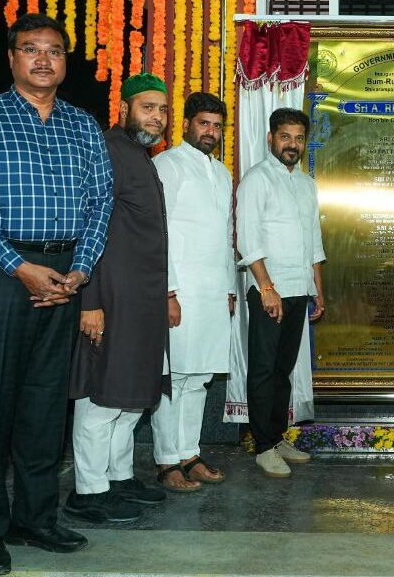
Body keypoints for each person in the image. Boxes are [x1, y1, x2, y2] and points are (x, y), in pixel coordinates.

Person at [0, 13, 113, 576]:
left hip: (65, 274)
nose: (44, 59)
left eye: (55, 51)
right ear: (11, 57)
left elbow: (100, 204)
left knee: (44, 406)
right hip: (1, 272)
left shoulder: (83, 124)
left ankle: (35, 517)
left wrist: (79, 272)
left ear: (66, 61)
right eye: (31, 49)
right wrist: (21, 267)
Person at [66, 73, 172, 522]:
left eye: (164, 109)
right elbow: (89, 227)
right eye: (148, 107)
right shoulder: (107, 150)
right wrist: (89, 301)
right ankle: (88, 491)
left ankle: (118, 476)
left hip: (143, 298)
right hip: (110, 295)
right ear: (124, 108)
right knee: (100, 395)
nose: (158, 116)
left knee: (131, 396)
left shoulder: (140, 155)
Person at [151, 92, 234, 491]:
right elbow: (159, 235)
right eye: (204, 123)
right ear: (185, 125)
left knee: (198, 378)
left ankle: (190, 453)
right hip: (179, 291)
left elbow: (224, 236)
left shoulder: (222, 173)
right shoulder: (166, 166)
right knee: (174, 378)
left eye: (217, 126)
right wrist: (167, 291)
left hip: (213, 292)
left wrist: (230, 289)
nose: (211, 132)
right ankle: (167, 461)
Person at [237, 107, 325, 478]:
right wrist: (267, 287)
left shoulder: (306, 184)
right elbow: (248, 239)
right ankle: (262, 446)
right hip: (268, 290)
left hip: (298, 290)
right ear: (271, 138)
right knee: (263, 369)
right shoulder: (257, 179)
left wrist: (318, 291)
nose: (292, 144)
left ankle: (276, 437)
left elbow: (313, 243)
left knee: (283, 371)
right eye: (285, 137)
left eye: (299, 138)